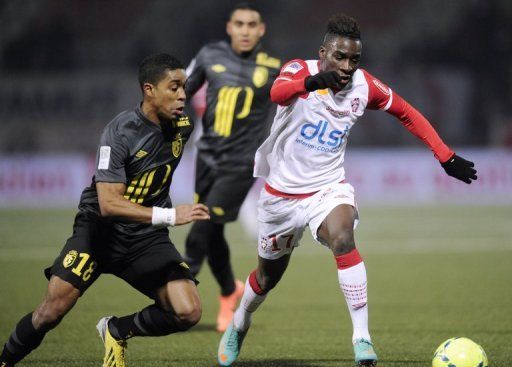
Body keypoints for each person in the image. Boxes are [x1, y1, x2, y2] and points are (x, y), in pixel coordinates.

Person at [217, 13, 477, 367]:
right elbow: (277, 93)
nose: (347, 66)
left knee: (343, 237)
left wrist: (445, 156)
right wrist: (313, 81)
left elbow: (407, 112)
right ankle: (239, 324)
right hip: (280, 196)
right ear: (322, 52)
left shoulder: (363, 86)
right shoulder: (299, 68)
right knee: (266, 277)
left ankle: (362, 339)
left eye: (354, 59)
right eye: (339, 57)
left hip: (328, 188)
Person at [0, 53, 210, 367]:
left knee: (188, 311)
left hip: (145, 238)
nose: (182, 95)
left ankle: (116, 329)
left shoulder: (182, 126)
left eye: (185, 87)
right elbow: (108, 204)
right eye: (174, 87)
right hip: (99, 232)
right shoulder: (119, 133)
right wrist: (170, 215)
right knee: (50, 312)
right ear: (149, 89)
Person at [184, 3, 281, 332]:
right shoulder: (209, 55)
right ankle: (229, 292)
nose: (244, 30)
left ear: (261, 29)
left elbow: (296, 105)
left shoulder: (274, 68)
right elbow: (180, 93)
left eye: (251, 24)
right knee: (213, 233)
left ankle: (174, 298)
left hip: (239, 164)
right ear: (229, 27)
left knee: (199, 232)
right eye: (239, 23)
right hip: (206, 157)